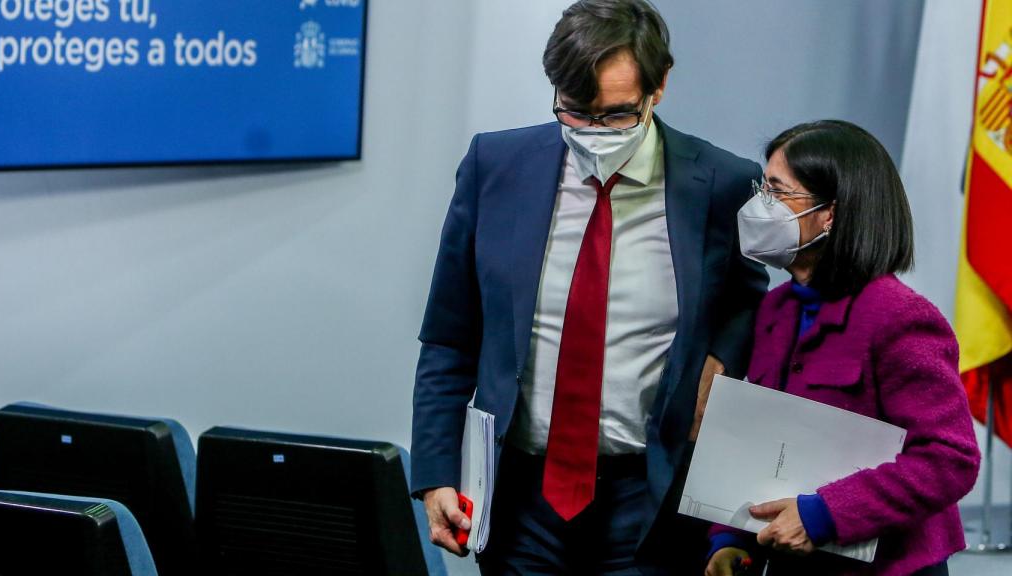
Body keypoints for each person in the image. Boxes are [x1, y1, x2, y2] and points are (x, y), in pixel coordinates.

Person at [410, 1, 769, 573]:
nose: (595, 132)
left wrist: (720, 359)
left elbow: (749, 297)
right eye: (575, 113)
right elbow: (450, 336)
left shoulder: (722, 184)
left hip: (648, 495)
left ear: (660, 88)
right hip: (520, 494)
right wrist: (435, 476)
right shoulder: (496, 166)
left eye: (617, 115)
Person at [704, 120, 981, 576]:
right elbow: (759, 439)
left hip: (890, 567)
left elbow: (948, 459)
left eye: (777, 191)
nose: (759, 206)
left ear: (830, 214)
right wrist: (729, 538)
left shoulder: (900, 316)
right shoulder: (774, 309)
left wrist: (824, 515)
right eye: (762, 187)